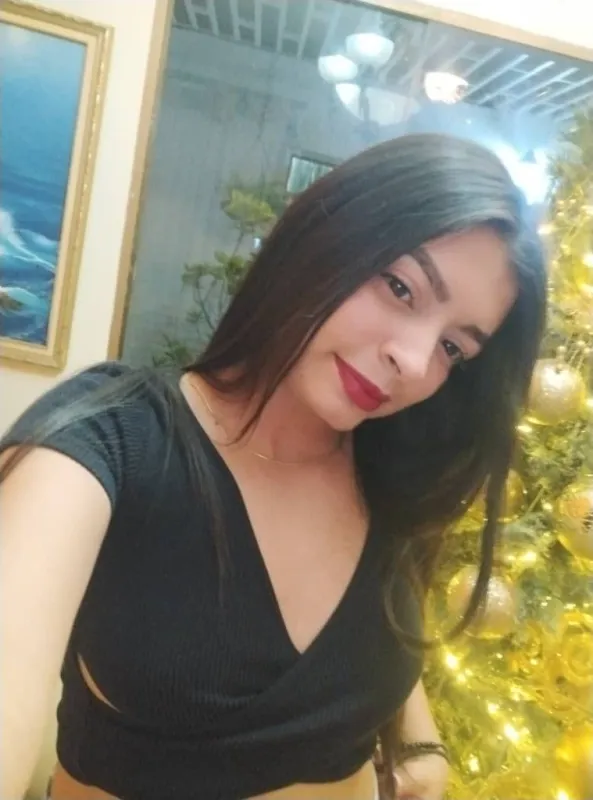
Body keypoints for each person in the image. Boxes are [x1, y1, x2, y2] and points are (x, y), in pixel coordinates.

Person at [1, 133, 546, 800]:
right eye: (401, 287)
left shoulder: (391, 475)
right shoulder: (108, 443)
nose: (412, 361)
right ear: (325, 237)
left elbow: (374, 627)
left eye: (453, 348)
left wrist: (419, 739)